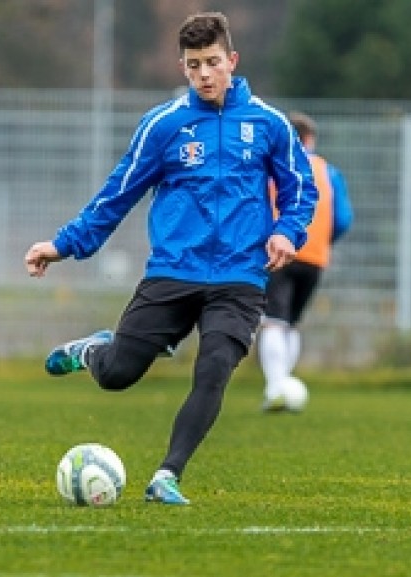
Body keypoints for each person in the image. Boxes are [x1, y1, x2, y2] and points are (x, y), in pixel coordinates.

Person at [24, 11, 317, 505]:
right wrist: (64, 245)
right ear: (183, 67)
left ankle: (167, 475)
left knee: (214, 368)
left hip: (240, 276)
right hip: (174, 271)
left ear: (232, 61)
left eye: (213, 62)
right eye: (194, 65)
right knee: (117, 375)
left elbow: (301, 190)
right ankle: (93, 351)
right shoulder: (163, 125)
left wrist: (287, 233)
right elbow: (118, 192)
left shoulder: (269, 124)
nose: (204, 74)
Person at [258, 111, 353, 411]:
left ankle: (276, 388)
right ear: (310, 139)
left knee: (274, 322)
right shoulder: (329, 172)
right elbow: (343, 219)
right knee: (292, 323)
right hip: (315, 258)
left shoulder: (272, 167)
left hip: (279, 252)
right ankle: (284, 384)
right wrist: (323, 240)